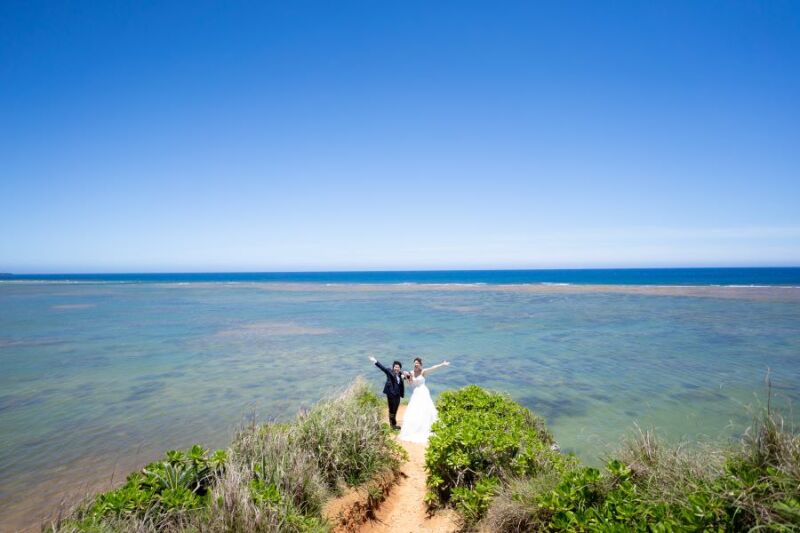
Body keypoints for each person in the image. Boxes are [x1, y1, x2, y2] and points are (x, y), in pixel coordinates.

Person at [399, 356, 450, 443]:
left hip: (423, 391)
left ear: (420, 365)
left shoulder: (423, 372)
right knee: (415, 409)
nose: (416, 365)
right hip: (416, 392)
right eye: (415, 363)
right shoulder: (410, 373)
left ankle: (428, 426)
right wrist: (406, 378)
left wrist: (442, 364)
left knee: (426, 408)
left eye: (417, 363)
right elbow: (410, 383)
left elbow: (433, 368)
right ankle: (416, 426)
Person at [368, 356, 406, 429]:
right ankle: (392, 425)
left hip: (397, 395)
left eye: (398, 367)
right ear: (393, 367)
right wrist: (375, 361)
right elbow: (382, 368)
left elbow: (404, 378)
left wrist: (406, 377)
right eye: (395, 367)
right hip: (391, 394)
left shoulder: (400, 374)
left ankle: (393, 424)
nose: (396, 368)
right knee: (391, 409)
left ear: (400, 368)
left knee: (395, 409)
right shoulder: (389, 371)